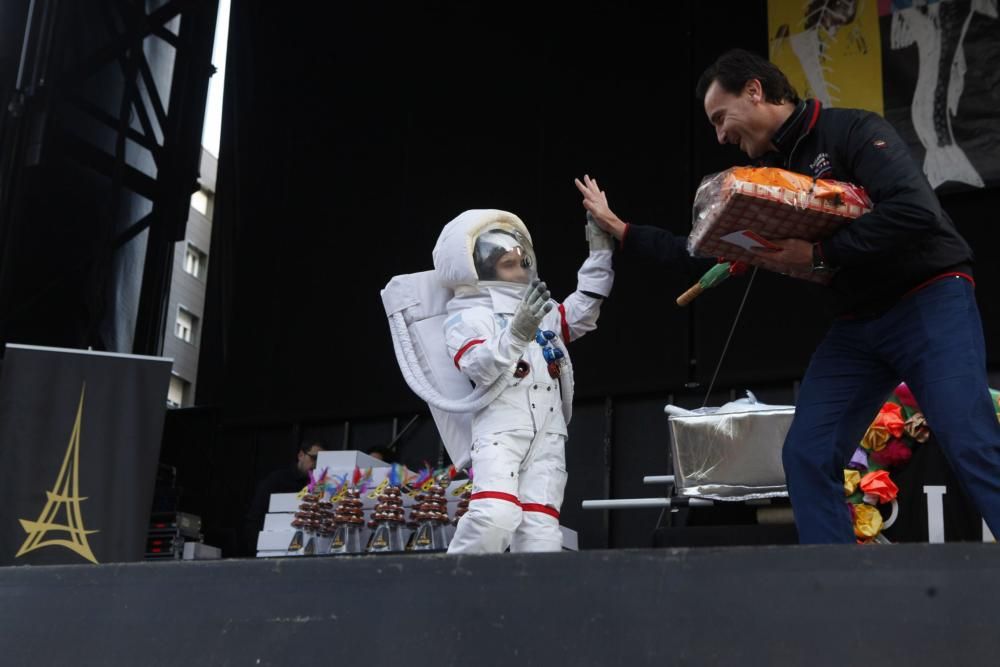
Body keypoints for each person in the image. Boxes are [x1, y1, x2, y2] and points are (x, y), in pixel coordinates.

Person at [579, 48, 1000, 544]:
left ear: (755, 91)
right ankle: (839, 591)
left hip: (928, 297)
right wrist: (623, 230)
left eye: (721, 117)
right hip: (858, 325)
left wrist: (821, 251)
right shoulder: (765, 184)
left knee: (968, 438)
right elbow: (701, 250)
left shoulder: (852, 130)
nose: (719, 136)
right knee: (806, 454)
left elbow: (916, 213)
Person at [433, 208, 614, 553]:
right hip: (502, 429)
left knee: (541, 531)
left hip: (547, 430)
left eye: (522, 262)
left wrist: (600, 249)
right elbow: (477, 365)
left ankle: (534, 604)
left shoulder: (541, 311)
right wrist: (516, 333)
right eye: (507, 264)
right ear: (479, 269)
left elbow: (583, 312)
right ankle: (454, 593)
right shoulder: (469, 315)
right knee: (494, 516)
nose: (519, 272)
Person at [243, 440, 325, 555]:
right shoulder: (277, 480)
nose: (317, 464)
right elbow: (255, 518)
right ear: (301, 455)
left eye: (322, 461)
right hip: (272, 549)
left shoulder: (323, 486)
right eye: (314, 458)